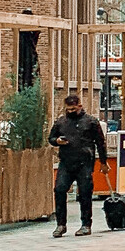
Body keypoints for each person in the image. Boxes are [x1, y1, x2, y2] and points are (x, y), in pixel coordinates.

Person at [49, 94, 108, 238]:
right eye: (68, 109)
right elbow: (51, 138)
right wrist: (57, 141)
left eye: (73, 109)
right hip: (66, 162)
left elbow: (100, 143)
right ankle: (61, 224)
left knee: (85, 193)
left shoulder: (91, 122)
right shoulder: (60, 122)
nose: (70, 112)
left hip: (85, 162)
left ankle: (86, 224)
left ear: (80, 106)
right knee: (59, 190)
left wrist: (103, 162)